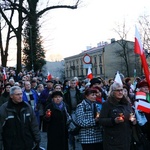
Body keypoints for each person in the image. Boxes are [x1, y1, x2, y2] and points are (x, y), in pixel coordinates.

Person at [99, 82, 136, 150]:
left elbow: (131, 115)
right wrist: (114, 121)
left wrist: (133, 121)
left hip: (126, 139)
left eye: (121, 90)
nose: (120, 92)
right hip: (113, 140)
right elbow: (101, 120)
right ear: (112, 92)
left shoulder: (126, 103)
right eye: (118, 90)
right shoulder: (107, 104)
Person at [64, 78, 83, 150]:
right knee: (71, 127)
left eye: (74, 83)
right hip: (70, 110)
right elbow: (65, 101)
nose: (73, 84)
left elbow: (81, 100)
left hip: (78, 110)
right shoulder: (66, 92)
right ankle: (72, 145)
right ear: (69, 84)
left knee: (78, 125)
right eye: (71, 83)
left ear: (76, 84)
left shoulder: (79, 92)